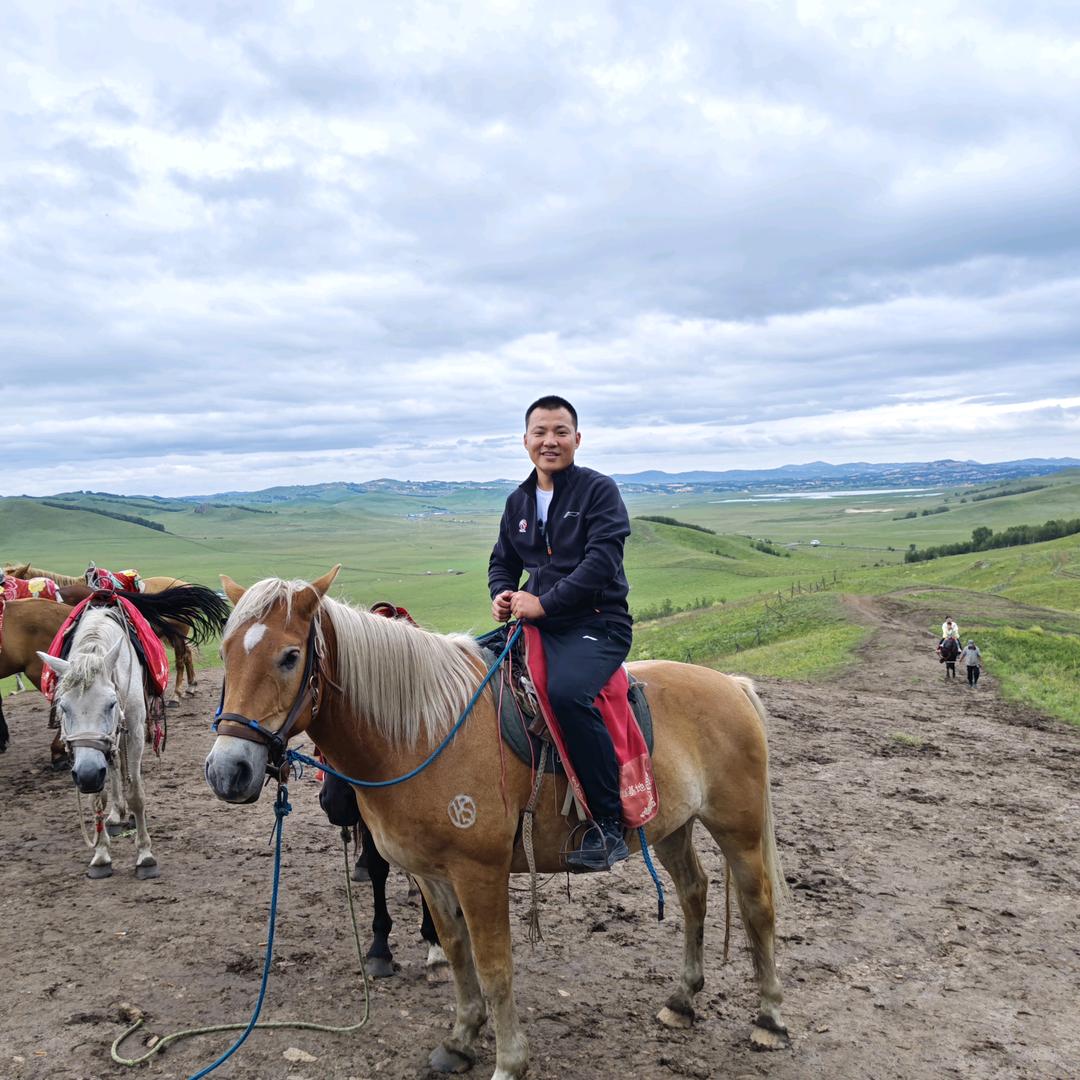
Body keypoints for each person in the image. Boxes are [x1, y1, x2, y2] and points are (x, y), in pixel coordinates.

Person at [489, 395, 633, 872]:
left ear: (577, 438)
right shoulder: (519, 501)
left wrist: (545, 602)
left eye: (560, 431)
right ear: (526, 440)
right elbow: (502, 561)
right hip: (536, 623)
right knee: (465, 667)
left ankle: (609, 825)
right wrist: (503, 594)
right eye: (540, 432)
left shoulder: (598, 491)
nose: (550, 441)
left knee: (568, 694)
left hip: (598, 624)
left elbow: (602, 562)